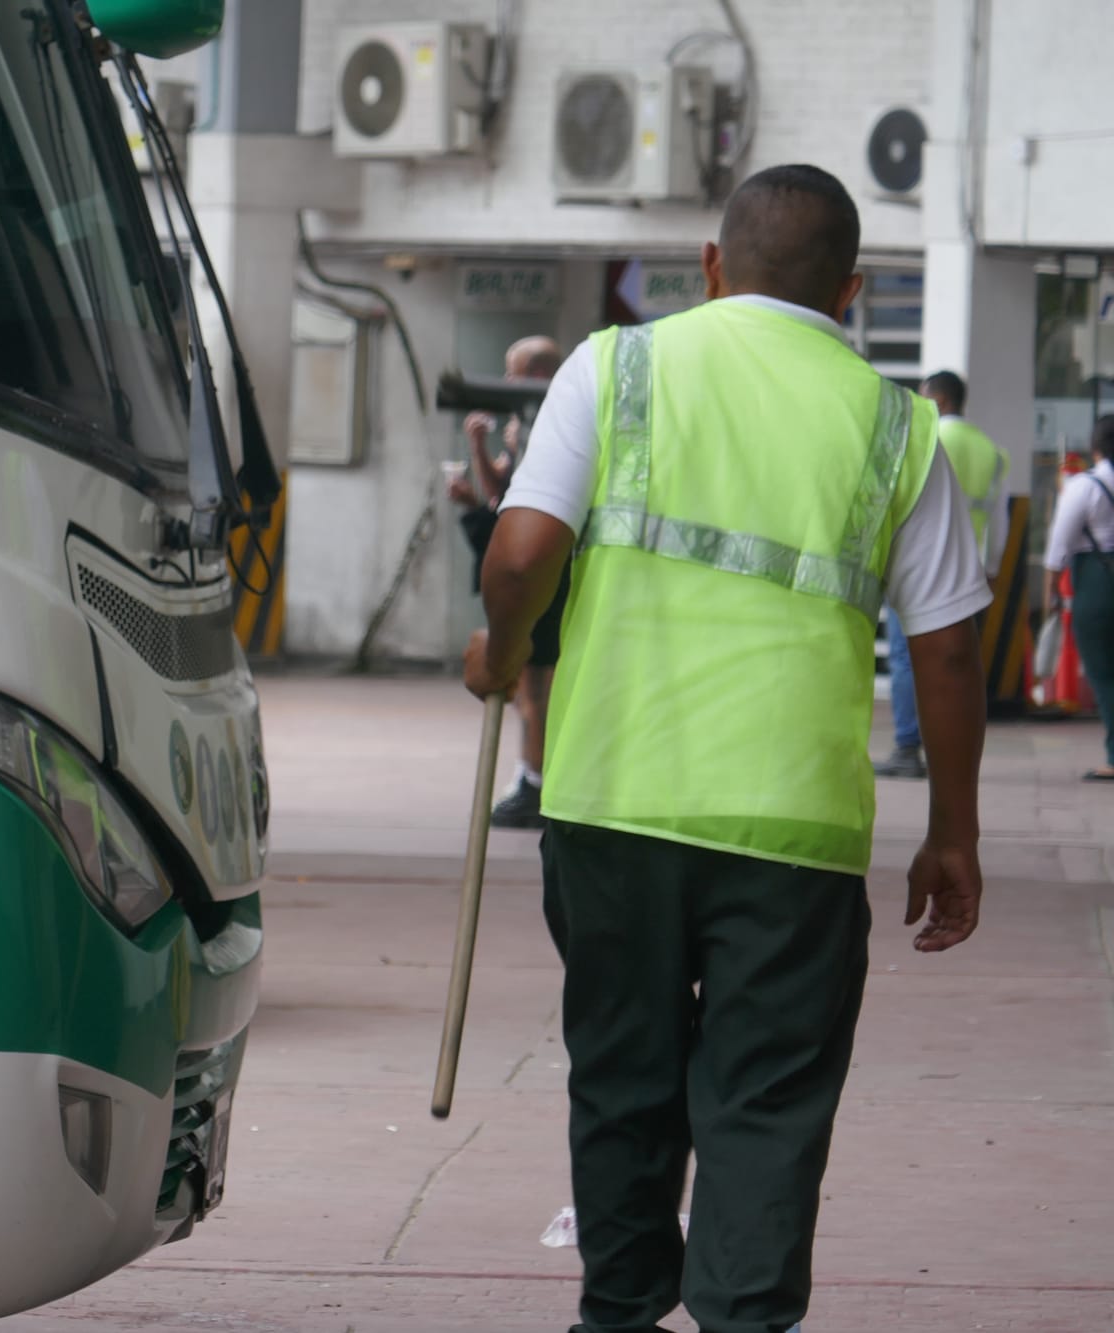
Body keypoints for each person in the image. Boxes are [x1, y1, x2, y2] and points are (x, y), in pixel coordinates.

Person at [463, 164, 990, 1333]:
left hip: (611, 804)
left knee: (620, 1074)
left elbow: (516, 557)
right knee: (767, 1098)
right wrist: (950, 832)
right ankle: (743, 1317)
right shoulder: (899, 428)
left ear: (708, 266)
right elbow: (946, 653)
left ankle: (618, 1309)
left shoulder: (615, 367)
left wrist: (501, 652)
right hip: (792, 832)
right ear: (848, 292)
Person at [447, 334, 565, 828]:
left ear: (537, 377)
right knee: (528, 685)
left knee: (537, 682)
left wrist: (480, 506)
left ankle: (536, 781)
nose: (508, 382)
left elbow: (520, 503)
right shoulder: (529, 423)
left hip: (549, 570)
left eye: (514, 371)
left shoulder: (554, 424)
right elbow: (504, 491)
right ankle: (530, 774)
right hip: (542, 565)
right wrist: (478, 447)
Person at [876, 369, 1009, 778]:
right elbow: (999, 521)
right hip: (966, 572)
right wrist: (991, 570)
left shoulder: (927, 437)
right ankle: (948, 756)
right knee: (956, 660)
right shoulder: (991, 450)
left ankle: (907, 747)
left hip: (921, 562)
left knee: (904, 656)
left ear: (939, 401)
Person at [1044, 416, 1114, 780]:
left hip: (1098, 584)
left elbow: (1059, 542)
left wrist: (1052, 589)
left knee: (1104, 673)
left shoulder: (1084, 486)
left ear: (1096, 447)